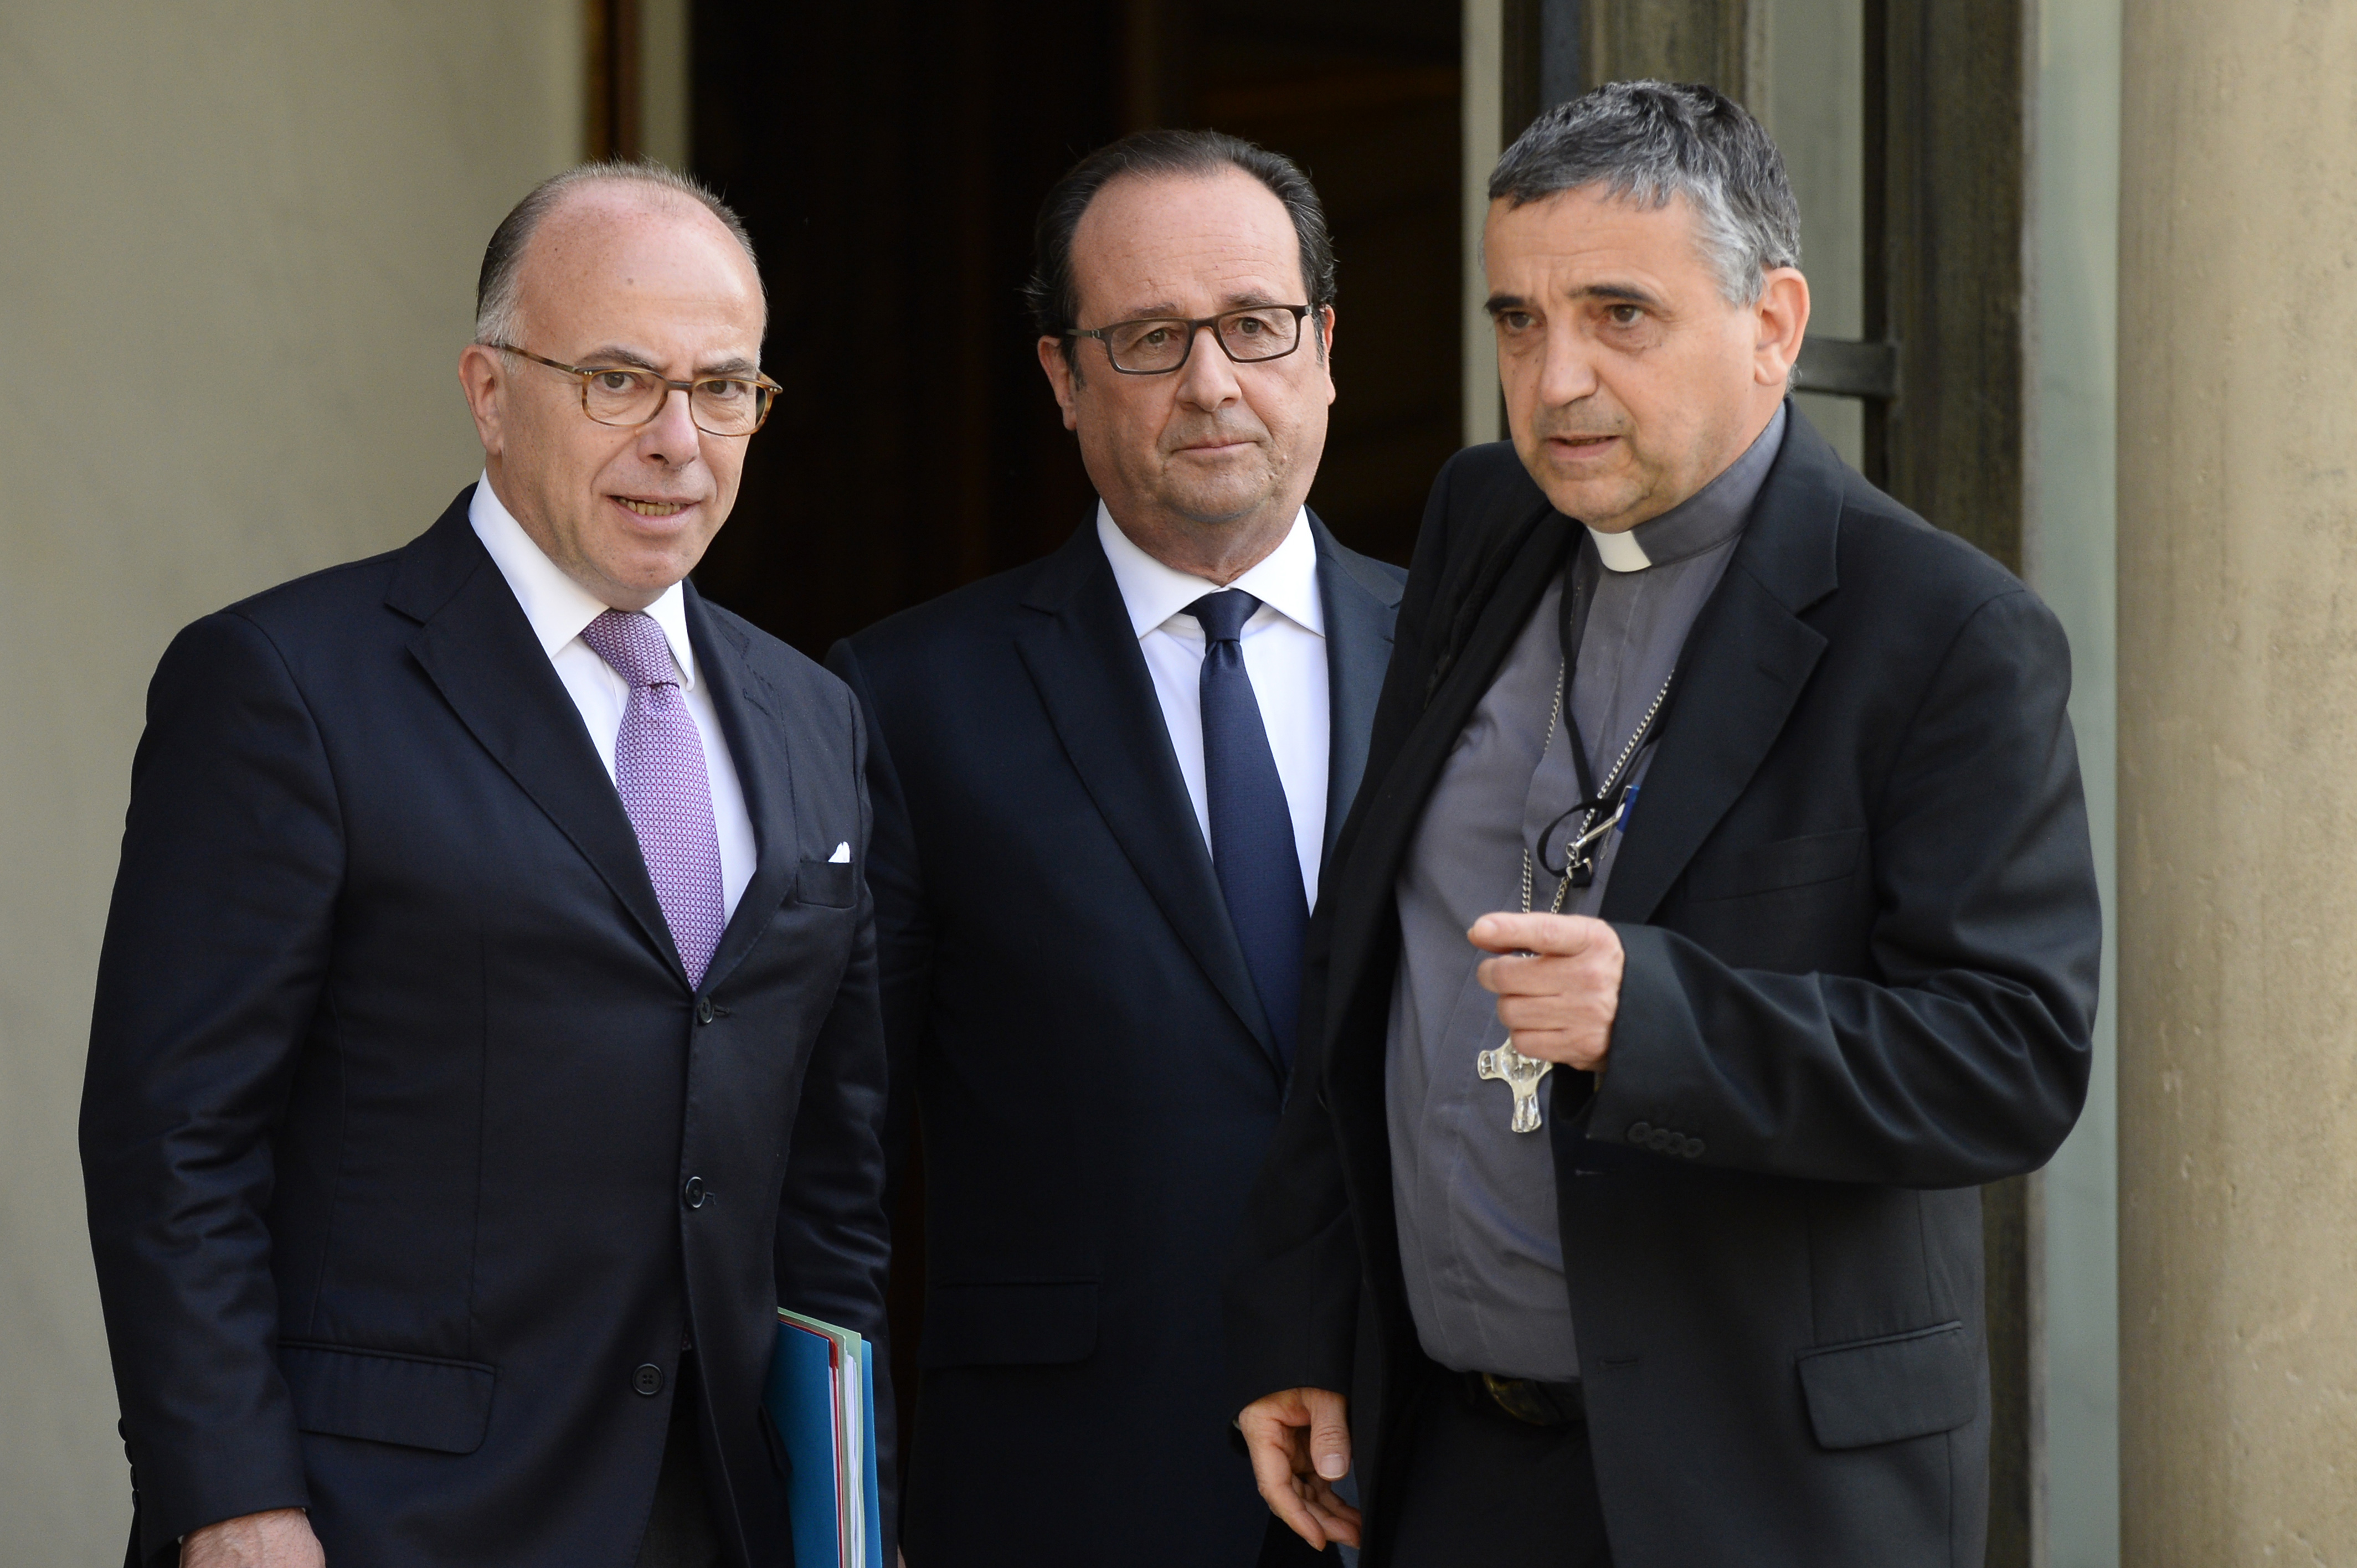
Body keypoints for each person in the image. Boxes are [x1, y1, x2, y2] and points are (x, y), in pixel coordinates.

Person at [1227, 81, 2101, 1567]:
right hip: (1443, 1465)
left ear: (1773, 323)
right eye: (1518, 321)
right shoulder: (1482, 517)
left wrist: (1659, 1017)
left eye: (1619, 316)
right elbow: (1369, 955)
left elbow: (2010, 1060)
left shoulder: (1948, 632)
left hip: (1757, 1491)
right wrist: (1310, 1319)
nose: (1557, 381)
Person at [80, 161, 892, 1568]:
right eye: (620, 381)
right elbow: (174, 1143)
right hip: (377, 1520)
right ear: (490, 388)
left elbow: (831, 1165)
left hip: (722, 1514)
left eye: (724, 389)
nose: (679, 442)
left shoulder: (813, 714)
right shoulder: (285, 686)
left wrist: (846, 1501)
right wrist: (228, 1496)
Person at [825, 130, 1403, 1566]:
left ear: (1325, 348)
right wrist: (857, 1517)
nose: (1213, 382)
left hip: (1433, 1470)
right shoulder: (906, 699)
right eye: (1150, 339)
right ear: (1063, 380)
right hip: (1060, 1490)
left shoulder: (1486, 665)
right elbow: (830, 1163)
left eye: (1255, 328)